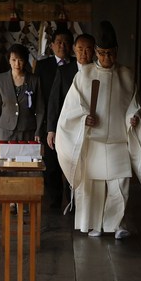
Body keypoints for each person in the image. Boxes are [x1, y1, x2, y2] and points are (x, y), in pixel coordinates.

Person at [55, 21, 141, 238]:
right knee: (93, 187)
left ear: (117, 52)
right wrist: (82, 119)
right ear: (97, 52)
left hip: (118, 140)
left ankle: (117, 224)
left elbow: (133, 105)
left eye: (111, 53)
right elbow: (71, 109)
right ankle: (95, 224)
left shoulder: (127, 75)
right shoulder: (84, 75)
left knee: (120, 185)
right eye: (103, 53)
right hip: (95, 141)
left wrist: (132, 119)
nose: (107, 58)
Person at [46, 33, 95, 209]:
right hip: (67, 129)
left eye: (88, 49)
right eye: (80, 49)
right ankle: (65, 202)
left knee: (86, 168)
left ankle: (81, 205)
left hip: (91, 130)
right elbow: (54, 102)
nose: (84, 53)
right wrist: (51, 129)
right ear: (74, 49)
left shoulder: (98, 71)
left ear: (94, 51)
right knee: (67, 165)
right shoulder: (64, 71)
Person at [34, 28, 75, 209]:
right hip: (49, 122)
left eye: (66, 42)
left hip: (72, 123)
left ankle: (73, 201)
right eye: (58, 42)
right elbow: (38, 94)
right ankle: (54, 200)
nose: (62, 45)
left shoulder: (77, 65)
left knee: (72, 165)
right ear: (51, 45)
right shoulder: (43, 66)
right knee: (51, 165)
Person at [0, 43, 44, 145]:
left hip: (28, 130)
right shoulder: (0, 79)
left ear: (25, 61)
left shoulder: (35, 80)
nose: (17, 64)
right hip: (5, 130)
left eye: (20, 60)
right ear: (9, 61)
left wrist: (38, 131)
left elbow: (40, 109)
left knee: (25, 160)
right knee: (6, 160)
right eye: (14, 60)